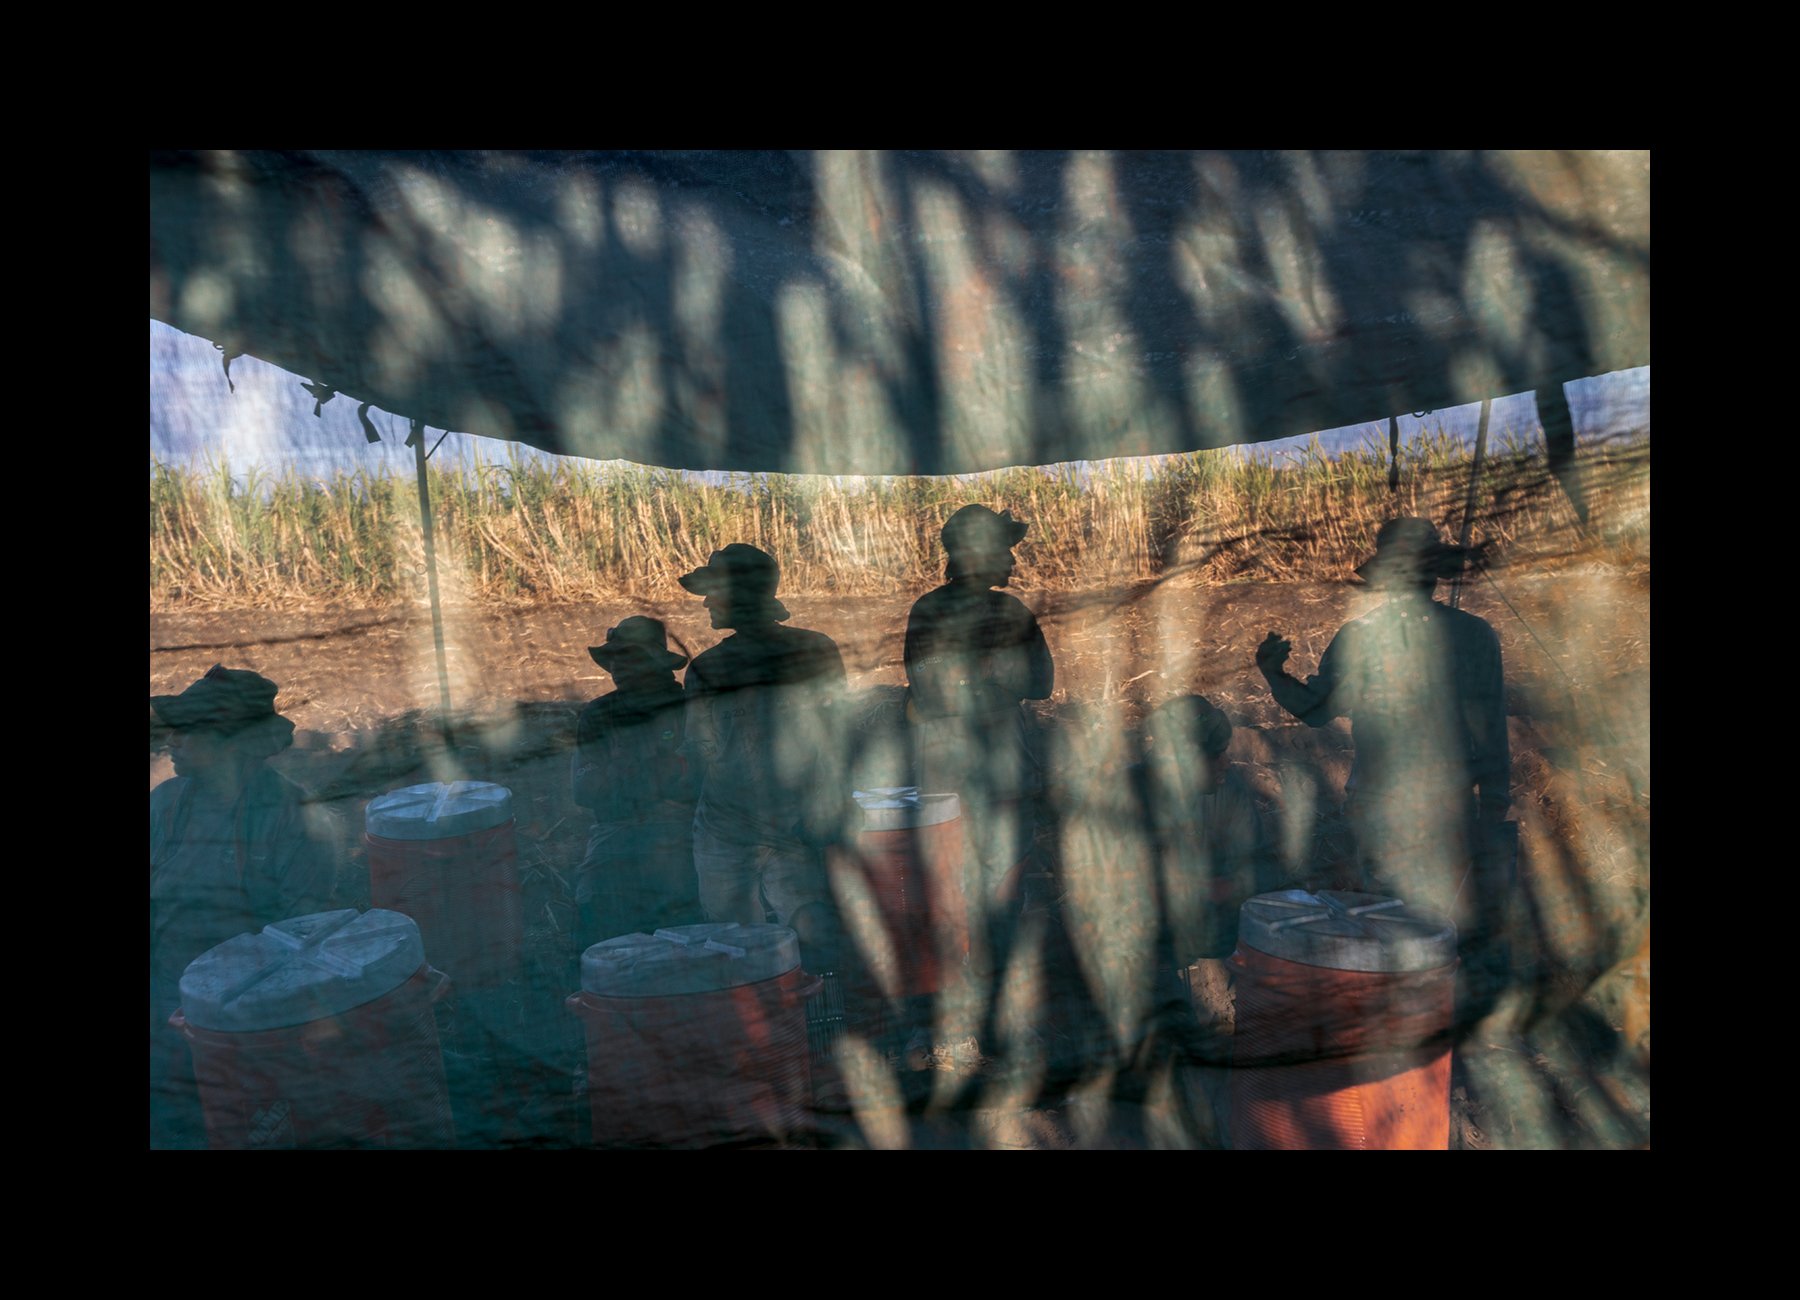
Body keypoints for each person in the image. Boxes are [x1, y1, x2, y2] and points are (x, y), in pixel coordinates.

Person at [1255, 517, 1510, 934]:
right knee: (1442, 932)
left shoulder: (1366, 636)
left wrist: (1273, 673)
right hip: (1434, 811)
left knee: (1388, 927)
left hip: (1390, 811)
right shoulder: (1472, 634)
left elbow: (1316, 711)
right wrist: (1492, 808)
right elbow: (1491, 733)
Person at [149, 665, 337, 1148]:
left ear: (231, 741)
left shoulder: (290, 816)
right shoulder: (165, 805)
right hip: (161, 1006)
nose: (172, 740)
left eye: (189, 730)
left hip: (244, 1021)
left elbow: (305, 941)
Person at [904, 505, 1054, 976]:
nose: (1011, 560)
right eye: (1003, 550)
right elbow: (930, 688)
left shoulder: (1004, 610)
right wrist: (996, 675)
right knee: (970, 885)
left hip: (980, 769)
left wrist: (966, 677)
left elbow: (1042, 682)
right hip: (967, 770)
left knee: (985, 884)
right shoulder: (942, 610)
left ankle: (980, 989)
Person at [679, 544, 848, 943]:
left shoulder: (708, 668)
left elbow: (701, 754)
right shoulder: (815, 649)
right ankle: (819, 1001)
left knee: (737, 943)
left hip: (735, 828)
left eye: (714, 591)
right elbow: (838, 738)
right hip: (792, 822)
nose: (705, 602)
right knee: (811, 927)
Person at [570, 617, 700, 951]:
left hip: (680, 827)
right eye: (615, 658)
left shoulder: (685, 705)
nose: (618, 667)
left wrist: (620, 774)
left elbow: (693, 781)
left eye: (631, 657)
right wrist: (658, 772)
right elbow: (584, 791)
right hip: (616, 830)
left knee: (682, 922)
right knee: (593, 908)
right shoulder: (598, 713)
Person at [1139, 694, 1285, 965]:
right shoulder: (1130, 796)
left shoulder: (1229, 789)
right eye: (1216, 755)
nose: (1226, 763)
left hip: (1214, 934)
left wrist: (1229, 886)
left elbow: (1264, 865)